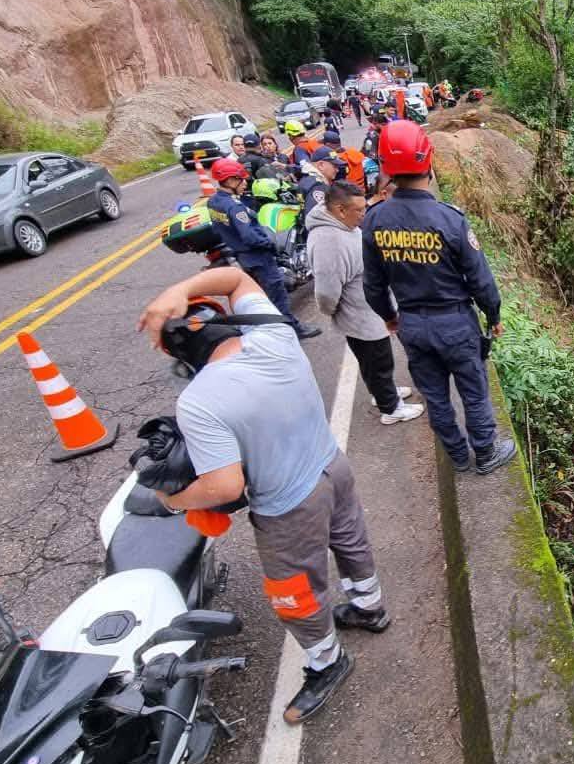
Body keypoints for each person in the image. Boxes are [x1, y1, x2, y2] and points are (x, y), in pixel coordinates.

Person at [138, 267, 389, 724]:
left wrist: (173, 501)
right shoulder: (275, 335)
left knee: (293, 593)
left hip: (288, 507)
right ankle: (370, 607)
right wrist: (180, 286)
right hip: (334, 465)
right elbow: (235, 280)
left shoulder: (199, 401)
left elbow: (226, 487)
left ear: (183, 357)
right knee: (351, 541)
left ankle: (327, 661)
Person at [361, 121, 517, 475]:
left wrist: (389, 316)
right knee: (474, 391)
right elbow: (481, 280)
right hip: (455, 322)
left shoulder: (375, 221)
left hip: (413, 324)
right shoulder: (449, 220)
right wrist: (493, 316)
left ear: (386, 169)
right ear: (428, 162)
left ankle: (458, 456)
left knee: (435, 396)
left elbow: (373, 285)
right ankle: (486, 453)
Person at [306, 180, 424, 425]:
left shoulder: (344, 227)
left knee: (374, 361)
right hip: (359, 314)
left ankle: (383, 394)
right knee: (378, 360)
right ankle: (391, 408)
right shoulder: (329, 240)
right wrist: (333, 311)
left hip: (367, 309)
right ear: (339, 209)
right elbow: (327, 291)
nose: (364, 214)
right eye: (358, 210)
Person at [207, 157, 321, 339]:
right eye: (240, 179)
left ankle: (269, 329)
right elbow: (249, 236)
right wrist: (269, 244)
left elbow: (219, 229)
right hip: (258, 256)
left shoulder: (213, 203)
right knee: (278, 296)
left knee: (260, 295)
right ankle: (292, 329)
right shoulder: (235, 208)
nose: (245, 183)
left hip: (242, 256)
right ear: (229, 181)